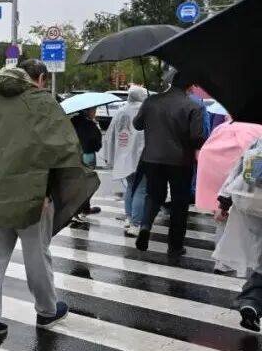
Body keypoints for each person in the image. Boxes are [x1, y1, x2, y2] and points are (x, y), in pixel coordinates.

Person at [0, 60, 97, 340]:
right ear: (41, 78)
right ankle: (46, 311)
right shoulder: (42, 103)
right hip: (34, 195)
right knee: (36, 255)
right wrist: (49, 191)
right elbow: (62, 150)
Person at [133, 70, 206, 256]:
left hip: (152, 158)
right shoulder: (193, 106)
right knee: (179, 203)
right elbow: (197, 137)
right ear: (189, 86)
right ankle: (175, 246)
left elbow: (137, 124)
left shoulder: (151, 101)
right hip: (180, 161)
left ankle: (145, 227)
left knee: (153, 195)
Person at [197, 118, 262, 274]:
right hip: (247, 188)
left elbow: (240, 168)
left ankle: (223, 261)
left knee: (226, 222)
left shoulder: (224, 127)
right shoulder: (257, 130)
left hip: (236, 187)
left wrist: (223, 202)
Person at [213, 137, 262, 331]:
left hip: (249, 202)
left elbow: (239, 168)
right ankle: (252, 301)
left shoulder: (259, 140)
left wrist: (224, 202)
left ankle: (252, 302)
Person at [101, 85, 149, 237]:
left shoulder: (121, 111)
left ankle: (129, 218)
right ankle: (135, 224)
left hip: (123, 157)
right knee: (141, 189)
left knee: (130, 188)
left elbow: (110, 135)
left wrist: (110, 156)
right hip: (142, 157)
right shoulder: (146, 111)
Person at [70, 107, 103, 224]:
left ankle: (83, 208)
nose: (95, 113)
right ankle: (78, 211)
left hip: (73, 156)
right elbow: (98, 144)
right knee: (87, 184)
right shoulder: (90, 125)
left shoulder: (71, 121)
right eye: (94, 110)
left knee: (77, 184)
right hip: (87, 156)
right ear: (88, 111)